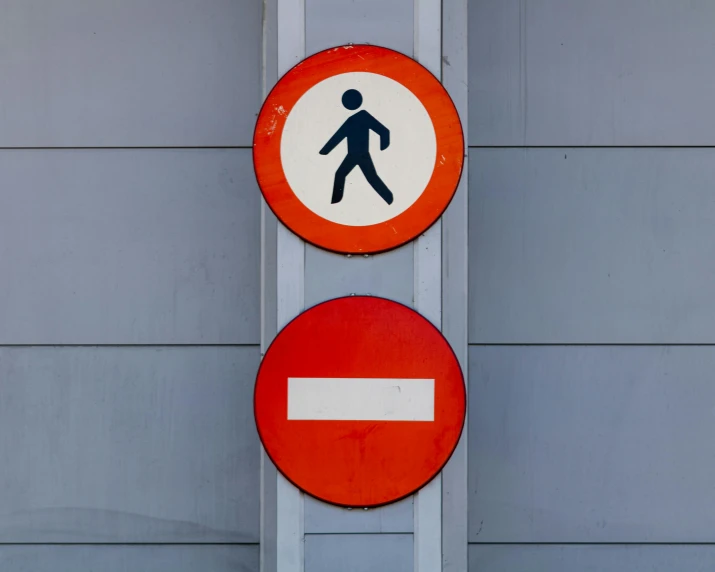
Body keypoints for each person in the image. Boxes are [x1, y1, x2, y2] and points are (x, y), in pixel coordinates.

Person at [319, 89, 394, 205]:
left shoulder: (363, 116)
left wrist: (384, 145)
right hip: (352, 155)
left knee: (371, 178)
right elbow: (339, 136)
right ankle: (335, 201)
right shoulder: (351, 120)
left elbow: (384, 131)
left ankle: (389, 199)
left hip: (362, 155)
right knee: (341, 174)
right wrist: (325, 151)